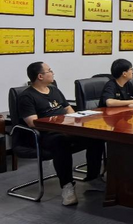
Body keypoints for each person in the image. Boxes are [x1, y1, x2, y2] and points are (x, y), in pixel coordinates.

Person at [19, 62, 105, 206]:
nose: (52, 73)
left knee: (96, 136)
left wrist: (75, 120)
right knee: (60, 142)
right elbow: (33, 123)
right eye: (49, 71)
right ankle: (67, 186)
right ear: (40, 76)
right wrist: (59, 122)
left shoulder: (54, 90)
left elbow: (68, 109)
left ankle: (93, 177)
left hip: (67, 128)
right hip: (46, 134)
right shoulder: (27, 97)